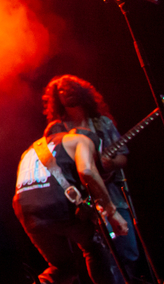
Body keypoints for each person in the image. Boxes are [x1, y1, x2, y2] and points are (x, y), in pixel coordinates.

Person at [44, 74, 144, 280]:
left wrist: (111, 163)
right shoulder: (55, 129)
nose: (67, 92)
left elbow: (123, 156)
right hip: (81, 204)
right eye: (61, 90)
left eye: (70, 87)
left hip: (113, 196)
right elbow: (50, 167)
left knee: (128, 251)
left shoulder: (102, 123)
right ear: (56, 98)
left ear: (81, 90)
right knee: (100, 256)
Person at [14, 119, 129, 284]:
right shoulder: (78, 139)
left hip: (26, 211)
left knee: (63, 268)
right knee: (94, 248)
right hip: (58, 204)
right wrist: (112, 211)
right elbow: (87, 170)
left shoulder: (28, 151)